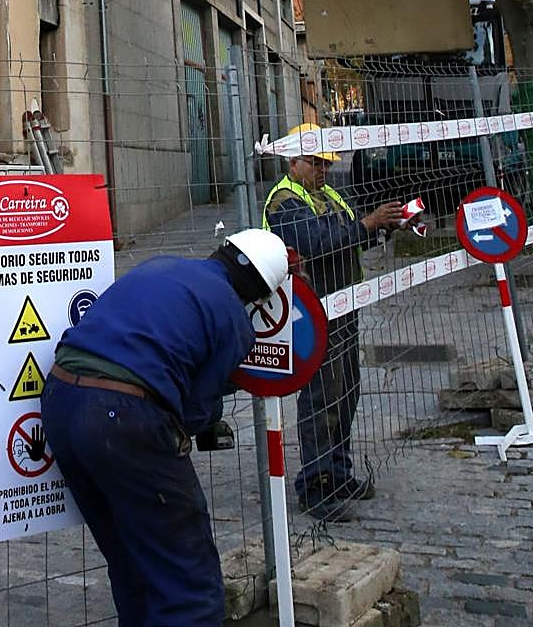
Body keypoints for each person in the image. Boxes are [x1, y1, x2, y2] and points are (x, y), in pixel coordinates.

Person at [40, 229, 289, 627]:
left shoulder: (162, 265)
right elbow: (193, 414)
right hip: (123, 417)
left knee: (130, 558)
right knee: (187, 577)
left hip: (59, 399)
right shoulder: (233, 320)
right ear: (258, 294)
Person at [263, 122, 403, 523]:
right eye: (315, 163)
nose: (323, 170)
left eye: (326, 163)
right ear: (293, 161)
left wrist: (383, 229)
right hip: (313, 311)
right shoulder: (284, 202)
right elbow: (315, 245)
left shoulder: (328, 196)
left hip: (344, 305)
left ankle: (339, 474)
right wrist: (367, 225)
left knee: (346, 392)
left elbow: (353, 234)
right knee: (320, 398)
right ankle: (315, 485)